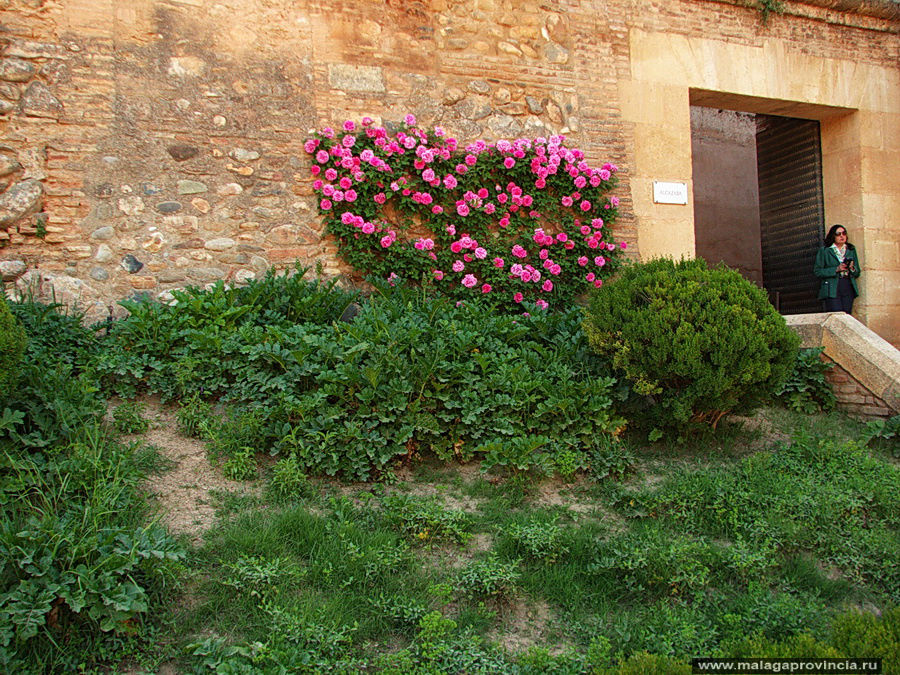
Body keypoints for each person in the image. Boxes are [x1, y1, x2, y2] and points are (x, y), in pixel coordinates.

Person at [814, 224, 861, 314]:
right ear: (833, 236)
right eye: (838, 234)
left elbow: (857, 272)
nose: (841, 236)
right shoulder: (825, 251)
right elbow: (817, 271)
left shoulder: (851, 249)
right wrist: (836, 269)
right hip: (832, 287)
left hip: (847, 285)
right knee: (836, 314)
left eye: (844, 233)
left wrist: (852, 268)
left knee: (847, 315)